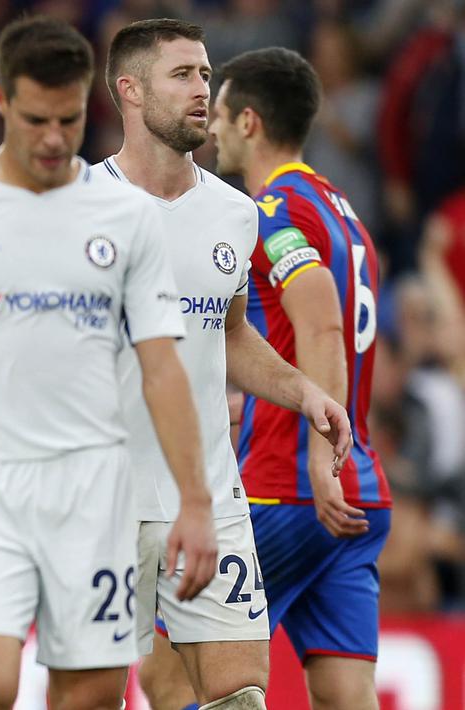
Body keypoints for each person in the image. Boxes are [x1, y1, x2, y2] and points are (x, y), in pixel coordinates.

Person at [0, 16, 217, 710]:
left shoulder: (125, 215)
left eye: (68, 119)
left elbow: (163, 366)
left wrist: (195, 503)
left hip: (94, 487)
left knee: (88, 697)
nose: (54, 139)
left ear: (89, 103)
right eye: (35, 120)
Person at [93, 20, 353, 710]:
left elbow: (229, 334)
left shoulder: (235, 213)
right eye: (181, 75)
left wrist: (304, 393)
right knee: (88, 696)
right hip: (98, 498)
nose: (201, 89)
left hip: (205, 494)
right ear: (129, 89)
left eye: (205, 74)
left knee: (240, 694)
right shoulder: (75, 208)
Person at [207, 47, 391, 709]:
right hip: (361, 491)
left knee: (180, 662)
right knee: (346, 695)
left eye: (221, 115)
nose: (212, 129)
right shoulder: (341, 210)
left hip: (291, 486)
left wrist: (320, 455)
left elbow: (317, 324)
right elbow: (331, 336)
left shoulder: (272, 208)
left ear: (249, 122)